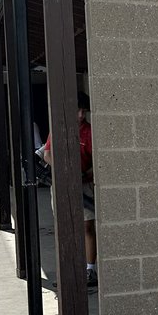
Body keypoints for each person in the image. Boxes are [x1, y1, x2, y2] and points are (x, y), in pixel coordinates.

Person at [43, 91, 98, 287]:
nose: (81, 115)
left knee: (87, 227)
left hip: (84, 186)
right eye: (78, 110)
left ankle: (89, 270)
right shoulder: (58, 127)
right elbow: (47, 154)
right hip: (61, 185)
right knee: (66, 228)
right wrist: (63, 171)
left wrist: (83, 174)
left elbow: (97, 161)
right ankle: (68, 270)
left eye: (84, 111)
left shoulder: (89, 132)